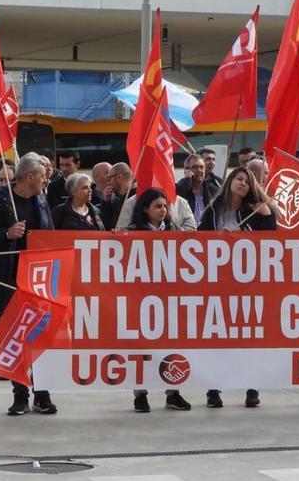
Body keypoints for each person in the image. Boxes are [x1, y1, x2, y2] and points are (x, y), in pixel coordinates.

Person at [0, 152, 58, 416]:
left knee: (40, 336)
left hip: (38, 278)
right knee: (17, 338)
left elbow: (50, 233)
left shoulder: (41, 200)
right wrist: (5, 234)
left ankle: (42, 394)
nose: (47, 179)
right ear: (29, 176)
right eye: (43, 175)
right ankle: (20, 393)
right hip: (5, 279)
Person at [197, 167, 275, 409]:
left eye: (248, 182)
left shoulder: (255, 210)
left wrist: (265, 215)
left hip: (249, 284)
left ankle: (252, 387)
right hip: (218, 283)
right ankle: (213, 389)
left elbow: (272, 241)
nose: (243, 184)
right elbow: (201, 239)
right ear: (230, 181)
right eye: (239, 179)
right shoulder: (213, 210)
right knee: (217, 339)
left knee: (249, 337)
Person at [128, 188, 193, 413]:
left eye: (165, 206)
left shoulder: (176, 231)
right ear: (145, 209)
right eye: (158, 206)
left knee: (171, 346)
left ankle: (172, 393)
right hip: (142, 299)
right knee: (142, 347)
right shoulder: (132, 232)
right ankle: (140, 394)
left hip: (169, 299)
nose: (163, 210)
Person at [176, 154, 218, 224]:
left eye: (201, 167)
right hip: (187, 232)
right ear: (186, 171)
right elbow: (178, 193)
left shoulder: (214, 191)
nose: (199, 170)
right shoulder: (181, 188)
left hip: (208, 233)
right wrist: (187, 179)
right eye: (195, 167)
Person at [100, 163, 134, 231]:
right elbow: (110, 227)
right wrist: (106, 203)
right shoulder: (117, 200)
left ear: (119, 177)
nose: (108, 183)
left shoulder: (136, 199)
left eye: (109, 179)